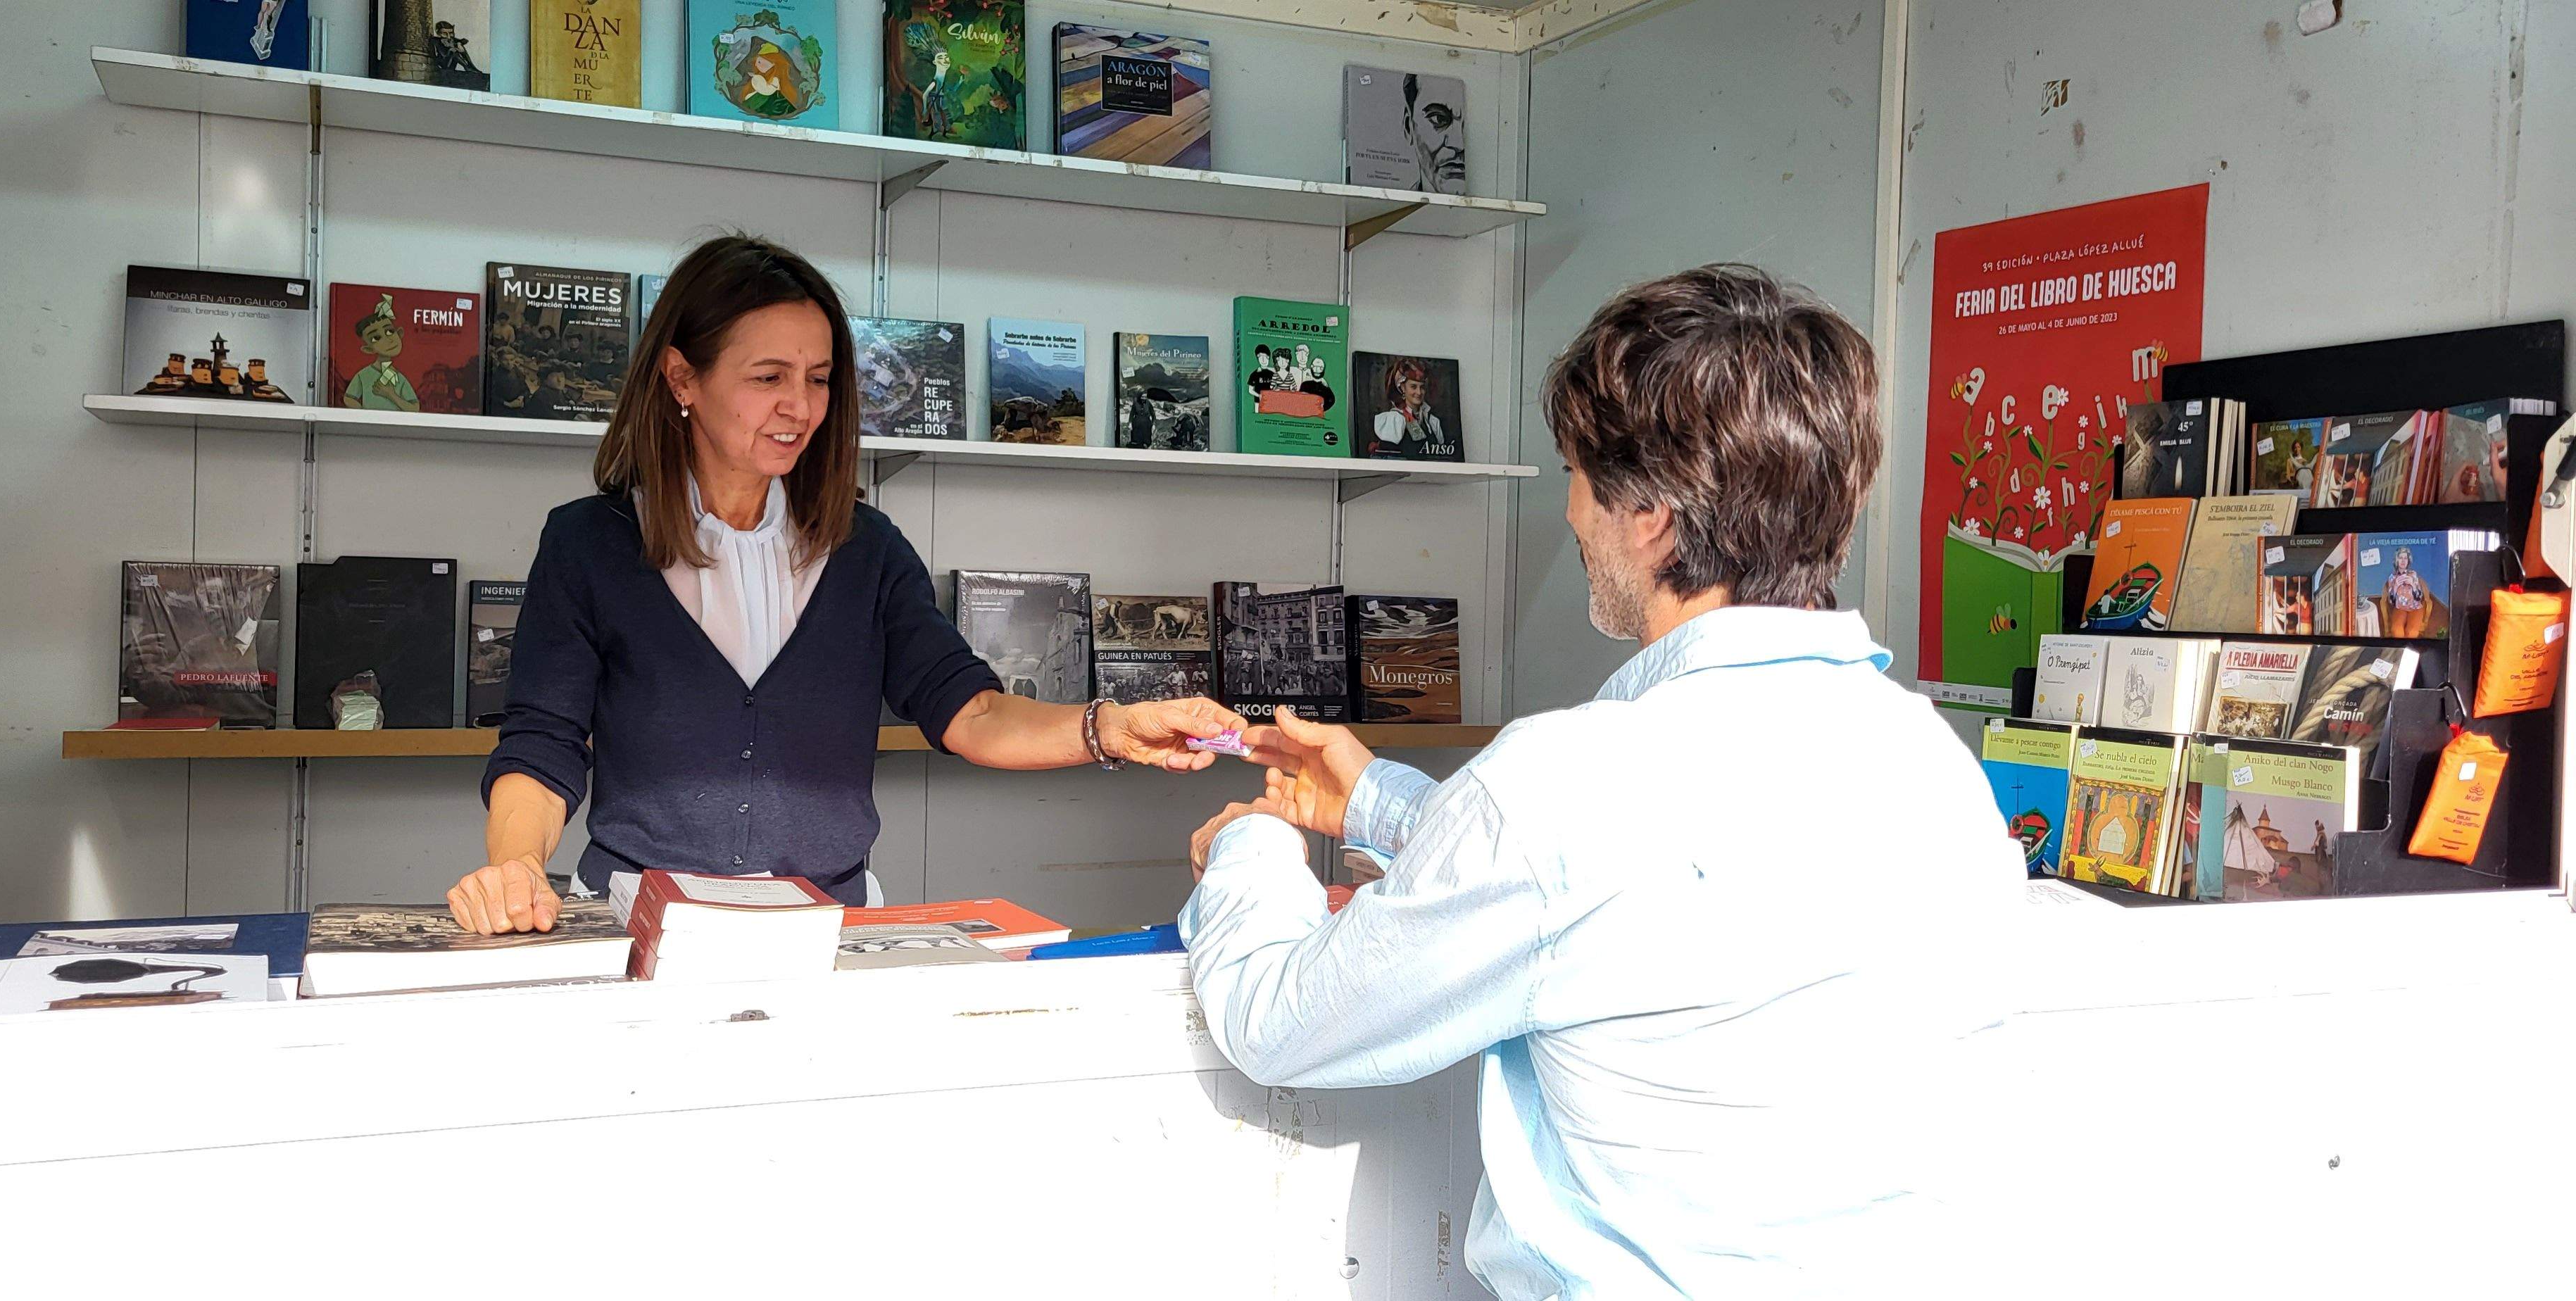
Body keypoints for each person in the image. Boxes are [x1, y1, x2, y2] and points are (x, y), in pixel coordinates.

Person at [1181, 265, 2020, 1297]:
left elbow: (1280, 1022)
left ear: (1653, 515)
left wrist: (1250, 846)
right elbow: (1649, 897)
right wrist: (1378, 801)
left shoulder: (1567, 784)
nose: (1572, 512)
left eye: (1577, 473)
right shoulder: (1930, 760)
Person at [450, 234, 1246, 933]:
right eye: (767, 377)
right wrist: (516, 863)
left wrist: (1109, 729)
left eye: (820, 378)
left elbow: (969, 711)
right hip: (639, 925)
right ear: (682, 379)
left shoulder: (865, 550)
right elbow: (542, 743)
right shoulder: (588, 544)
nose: (800, 406)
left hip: (826, 932)